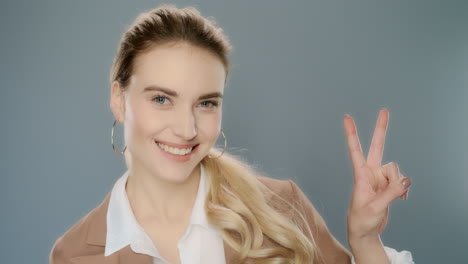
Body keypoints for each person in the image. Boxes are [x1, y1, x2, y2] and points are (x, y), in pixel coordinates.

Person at [49, 5, 414, 264]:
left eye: (206, 103)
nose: (187, 129)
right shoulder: (75, 254)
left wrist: (365, 242)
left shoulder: (280, 208)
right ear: (119, 99)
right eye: (162, 99)